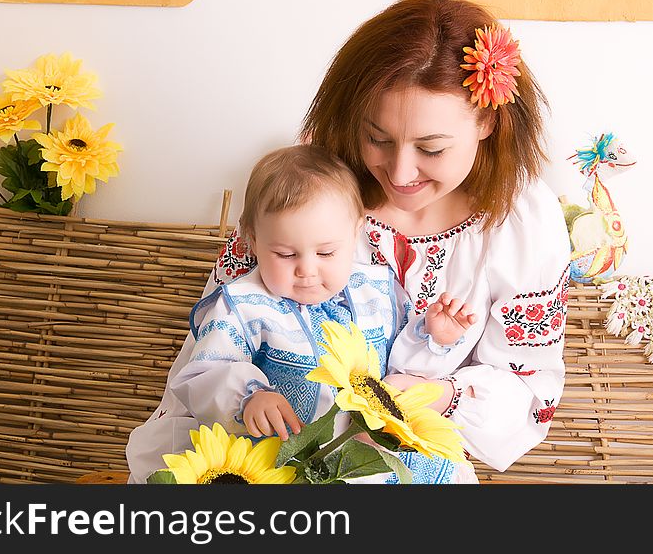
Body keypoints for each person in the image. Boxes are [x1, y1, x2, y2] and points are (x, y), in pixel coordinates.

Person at [208, 0, 570, 476]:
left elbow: (529, 384)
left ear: (486, 121)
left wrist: (444, 394)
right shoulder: (308, 189)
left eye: (431, 148)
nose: (399, 173)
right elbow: (218, 337)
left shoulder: (524, 221)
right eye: (377, 138)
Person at [125, 144, 478, 483]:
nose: (307, 270)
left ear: (356, 233)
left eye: (326, 253)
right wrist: (249, 396)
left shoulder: (375, 291)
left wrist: (432, 337)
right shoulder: (244, 304)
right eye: (285, 254)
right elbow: (204, 373)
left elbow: (400, 373)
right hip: (282, 457)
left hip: (365, 454)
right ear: (253, 239)